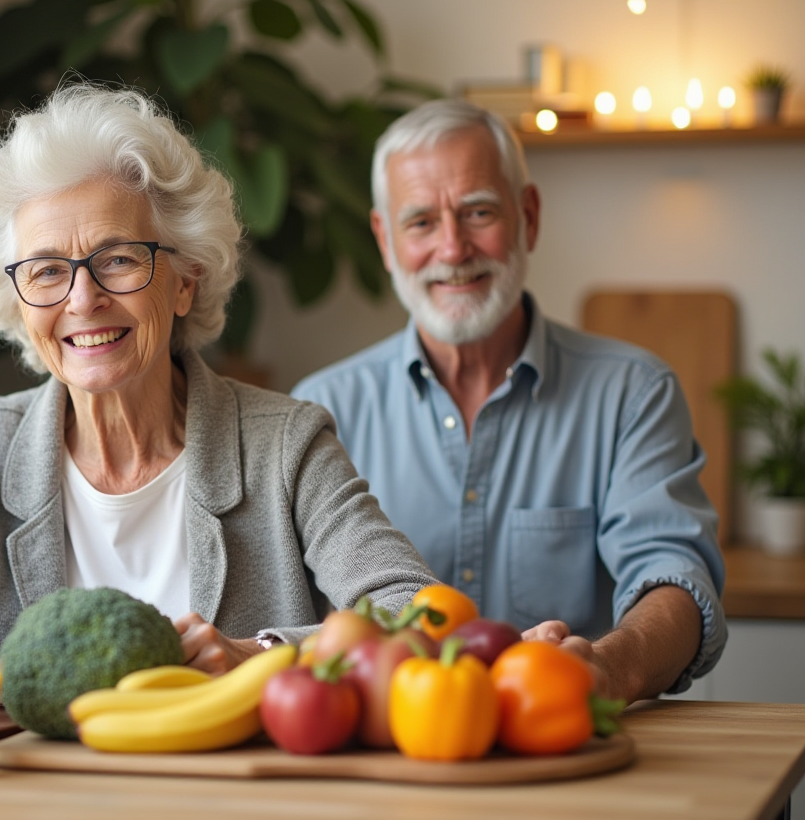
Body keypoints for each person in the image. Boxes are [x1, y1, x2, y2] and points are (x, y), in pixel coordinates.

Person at [0, 83, 436, 682]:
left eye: (119, 260)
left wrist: (259, 655)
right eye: (46, 271)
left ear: (185, 279)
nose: (83, 299)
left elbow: (417, 613)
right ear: (16, 301)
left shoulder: (286, 445)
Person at [292, 99, 727, 703]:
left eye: (478, 212)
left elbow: (675, 577)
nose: (452, 248)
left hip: (569, 737)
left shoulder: (633, 392)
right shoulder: (319, 412)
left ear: (529, 216)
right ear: (385, 241)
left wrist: (610, 666)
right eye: (421, 222)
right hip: (387, 753)